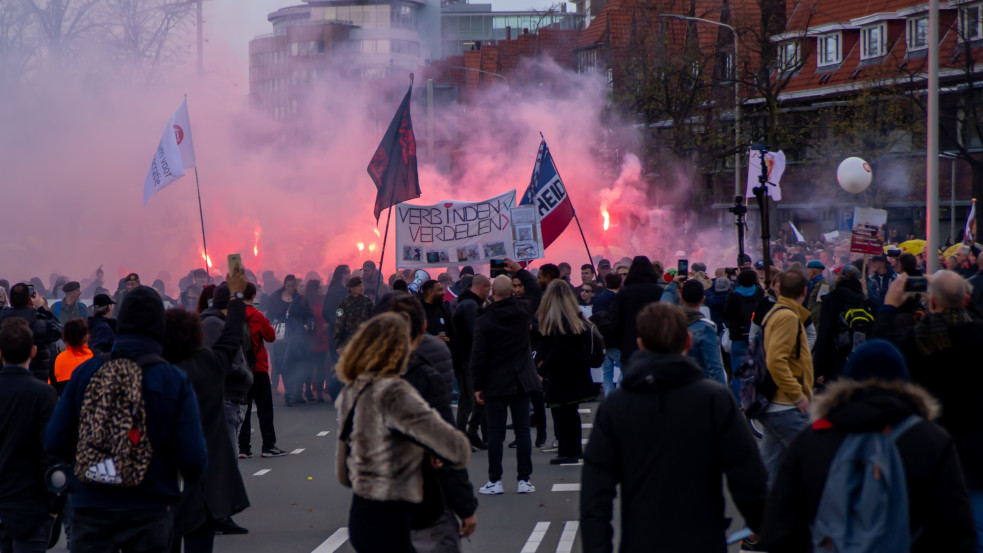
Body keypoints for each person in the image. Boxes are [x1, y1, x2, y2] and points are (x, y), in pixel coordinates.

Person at [758, 339, 978, 552]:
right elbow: (956, 531)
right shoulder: (931, 439)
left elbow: (779, 531)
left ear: (846, 383)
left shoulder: (813, 440)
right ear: (905, 385)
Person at [581, 303, 767, 552]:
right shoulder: (714, 400)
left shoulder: (616, 405)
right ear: (688, 341)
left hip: (641, 539)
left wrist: (597, 547)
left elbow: (595, 491)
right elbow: (747, 476)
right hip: (702, 537)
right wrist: (763, 525)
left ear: (641, 344)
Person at [44, 286, 208, 553]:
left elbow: (55, 441)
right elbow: (194, 461)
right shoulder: (172, 380)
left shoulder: (86, 373)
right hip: (150, 506)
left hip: (91, 506)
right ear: (159, 326)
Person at [335, 313, 471, 553]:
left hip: (362, 511)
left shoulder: (353, 389)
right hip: (393, 514)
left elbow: (343, 472)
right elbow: (454, 447)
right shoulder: (395, 392)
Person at [873, 271, 983, 545]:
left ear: (931, 303)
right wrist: (955, 294)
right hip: (977, 455)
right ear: (967, 299)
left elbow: (881, 351)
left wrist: (888, 306)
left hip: (926, 450)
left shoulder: (917, 342)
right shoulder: (979, 335)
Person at [163, 268, 251, 551]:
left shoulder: (157, 371)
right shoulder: (210, 364)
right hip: (205, 480)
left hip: (165, 480)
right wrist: (237, 295)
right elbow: (233, 334)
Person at [383, 296, 479, 553]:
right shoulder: (424, 377)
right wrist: (465, 506)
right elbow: (444, 447)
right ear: (422, 328)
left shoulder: (361, 378)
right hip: (422, 505)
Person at [471, 275, 542, 495]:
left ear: (493, 292)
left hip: (495, 381)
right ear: (512, 291)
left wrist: (478, 385)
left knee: (495, 432)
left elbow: (478, 356)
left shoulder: (484, 320)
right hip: (521, 379)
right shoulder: (522, 313)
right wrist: (519, 270)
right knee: (522, 430)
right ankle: (524, 479)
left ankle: (495, 480)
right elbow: (535, 292)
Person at [0, 318, 59, 553]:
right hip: (31, 506)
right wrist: (55, 504)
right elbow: (51, 450)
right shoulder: (43, 393)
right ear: (34, 351)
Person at [759, 270, 815, 488]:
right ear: (804, 290)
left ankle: (767, 516)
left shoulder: (781, 312)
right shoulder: (787, 316)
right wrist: (797, 395)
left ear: (778, 288)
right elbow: (776, 361)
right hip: (785, 405)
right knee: (817, 463)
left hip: (776, 406)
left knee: (771, 471)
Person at [536, 280, 596, 465]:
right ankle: (574, 450)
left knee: (561, 413)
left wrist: (542, 369)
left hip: (561, 372)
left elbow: (556, 348)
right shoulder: (574, 316)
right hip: (576, 371)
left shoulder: (557, 318)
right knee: (570, 412)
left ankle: (566, 450)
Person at [239, 282, 283, 459]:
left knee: (244, 410)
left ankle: (243, 448)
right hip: (258, 367)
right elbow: (271, 337)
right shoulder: (257, 315)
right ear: (253, 296)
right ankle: (268, 445)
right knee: (264, 408)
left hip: (239, 370)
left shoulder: (232, 316)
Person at [812, 264, 871, 384]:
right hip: (858, 358)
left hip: (835, 360)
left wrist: (818, 369)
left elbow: (824, 334)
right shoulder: (864, 300)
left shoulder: (832, 299)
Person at [452, 274, 491, 449]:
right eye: (488, 289)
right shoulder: (469, 305)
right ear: (482, 287)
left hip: (466, 358)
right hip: (467, 359)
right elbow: (474, 334)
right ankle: (463, 436)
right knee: (470, 399)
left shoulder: (468, 303)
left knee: (472, 398)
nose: (489, 293)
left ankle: (471, 433)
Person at [265, 275, 315, 406]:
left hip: (298, 338)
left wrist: (308, 325)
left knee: (297, 364)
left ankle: (295, 392)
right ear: (284, 284)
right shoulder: (275, 298)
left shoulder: (301, 300)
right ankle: (289, 393)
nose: (291, 289)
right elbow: (269, 316)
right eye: (289, 286)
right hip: (281, 339)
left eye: (293, 286)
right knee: (284, 365)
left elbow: (309, 316)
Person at [0, 283, 61, 383]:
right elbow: (60, 330)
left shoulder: (2, 319)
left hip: (5, 382)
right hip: (39, 381)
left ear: (10, 301)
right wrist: (41, 307)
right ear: (30, 302)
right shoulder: (42, 322)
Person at [610, 256, 664, 366]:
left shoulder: (623, 293)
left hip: (629, 351)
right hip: (654, 350)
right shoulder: (659, 292)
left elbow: (614, 322)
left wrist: (622, 344)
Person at [722, 270, 763, 398]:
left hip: (738, 335)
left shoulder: (733, 296)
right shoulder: (759, 292)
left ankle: (739, 403)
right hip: (756, 336)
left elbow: (726, 315)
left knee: (738, 372)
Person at [680, 279, 727, 385]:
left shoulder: (670, 324)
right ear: (703, 299)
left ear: (681, 299)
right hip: (698, 389)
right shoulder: (705, 329)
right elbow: (715, 368)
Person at [591, 273, 622, 396]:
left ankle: (609, 396)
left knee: (607, 372)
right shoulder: (621, 298)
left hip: (603, 340)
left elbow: (595, 318)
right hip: (617, 340)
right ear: (620, 284)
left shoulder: (598, 299)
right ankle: (619, 394)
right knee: (625, 368)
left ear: (606, 283)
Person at [334, 276, 375, 353]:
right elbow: (339, 324)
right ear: (351, 288)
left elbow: (373, 321)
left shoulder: (368, 302)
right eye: (359, 286)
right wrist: (338, 344)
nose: (362, 287)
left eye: (362, 285)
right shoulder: (344, 303)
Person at [52, 319, 93, 394]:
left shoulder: (56, 360)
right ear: (86, 337)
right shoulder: (95, 357)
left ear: (64, 339)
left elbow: (52, 390)